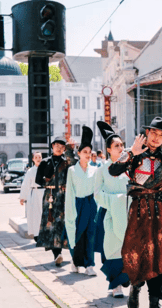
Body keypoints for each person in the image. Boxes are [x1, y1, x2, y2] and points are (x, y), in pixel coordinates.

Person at [109, 116, 162, 308]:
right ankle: (135, 288)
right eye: (154, 133)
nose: (157, 138)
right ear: (147, 133)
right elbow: (113, 171)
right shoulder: (133, 155)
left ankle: (155, 299)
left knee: (161, 255)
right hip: (138, 211)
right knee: (137, 251)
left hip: (161, 214)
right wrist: (132, 153)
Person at [94, 121, 131, 298]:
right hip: (109, 213)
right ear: (108, 149)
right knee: (112, 248)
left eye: (122, 145)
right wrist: (115, 200)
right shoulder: (101, 170)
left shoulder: (129, 167)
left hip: (129, 213)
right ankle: (116, 285)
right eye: (117, 146)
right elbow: (97, 194)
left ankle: (126, 278)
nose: (121, 148)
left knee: (128, 247)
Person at [35, 137, 77, 266]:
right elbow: (38, 180)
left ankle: (71, 251)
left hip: (65, 196)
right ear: (52, 146)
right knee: (51, 224)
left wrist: (71, 149)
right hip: (50, 197)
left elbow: (75, 166)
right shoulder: (45, 162)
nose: (59, 148)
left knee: (65, 223)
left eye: (62, 146)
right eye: (56, 145)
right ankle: (57, 254)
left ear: (64, 148)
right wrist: (46, 182)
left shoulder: (67, 162)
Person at [65, 126, 98, 277]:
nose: (87, 155)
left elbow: (97, 189)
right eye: (84, 152)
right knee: (77, 234)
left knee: (90, 234)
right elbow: (70, 192)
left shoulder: (95, 170)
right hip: (77, 203)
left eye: (89, 153)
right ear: (78, 154)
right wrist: (70, 208)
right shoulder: (72, 170)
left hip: (91, 204)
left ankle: (89, 264)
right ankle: (75, 260)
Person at [19, 152, 45, 240]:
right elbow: (26, 184)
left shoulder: (45, 169)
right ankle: (36, 234)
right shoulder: (30, 171)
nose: (38, 159)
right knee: (35, 215)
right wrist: (23, 197)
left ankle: (44, 234)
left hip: (44, 193)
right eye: (36, 157)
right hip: (34, 193)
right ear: (33, 159)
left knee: (45, 215)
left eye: (40, 157)